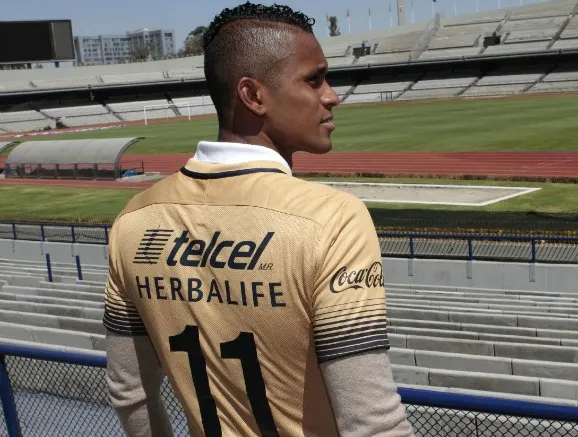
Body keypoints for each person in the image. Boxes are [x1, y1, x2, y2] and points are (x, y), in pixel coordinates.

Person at [102, 3, 414, 436]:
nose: (331, 95)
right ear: (252, 95)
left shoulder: (133, 220)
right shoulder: (333, 219)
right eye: (313, 79)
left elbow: (128, 391)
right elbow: (373, 422)